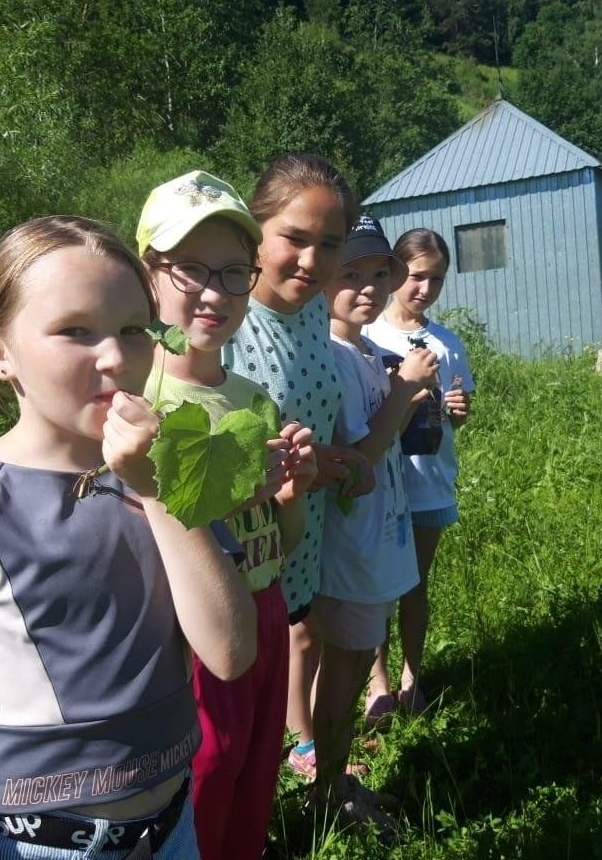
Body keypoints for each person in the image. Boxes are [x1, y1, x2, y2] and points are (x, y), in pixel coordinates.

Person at [0, 215, 258, 860]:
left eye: (133, 329)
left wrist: (156, 490)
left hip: (172, 827)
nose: (114, 357)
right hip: (40, 844)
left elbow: (230, 652)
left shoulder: (170, 469)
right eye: (75, 331)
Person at [135, 171, 318, 860]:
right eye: (191, 270)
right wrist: (237, 491)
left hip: (265, 603)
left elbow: (278, 539)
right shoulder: (136, 399)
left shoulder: (251, 397)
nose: (214, 293)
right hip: (196, 627)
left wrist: (289, 495)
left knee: (255, 766)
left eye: (235, 272)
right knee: (207, 769)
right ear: (147, 274)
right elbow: (147, 528)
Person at [220, 153, 374, 782]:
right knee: (227, 723)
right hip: (237, 553)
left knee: (267, 698)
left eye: (329, 244)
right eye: (294, 238)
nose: (311, 262)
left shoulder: (312, 310)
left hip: (297, 538)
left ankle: (291, 785)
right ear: (256, 230)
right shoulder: (223, 322)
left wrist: (329, 457)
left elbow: (306, 410)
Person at [311, 215, 438, 826]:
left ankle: (335, 785)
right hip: (352, 546)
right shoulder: (328, 356)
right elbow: (358, 459)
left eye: (377, 274)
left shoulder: (363, 351)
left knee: (357, 663)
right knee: (345, 669)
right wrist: (403, 393)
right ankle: (327, 795)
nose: (367, 288)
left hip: (380, 535)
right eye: (350, 275)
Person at [363, 227, 475, 721]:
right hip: (384, 481)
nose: (424, 289)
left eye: (436, 279)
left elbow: (457, 409)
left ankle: (412, 676)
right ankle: (377, 680)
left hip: (428, 478)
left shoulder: (446, 342)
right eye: (415, 276)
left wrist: (457, 407)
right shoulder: (369, 335)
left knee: (415, 584)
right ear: (393, 273)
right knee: (377, 586)